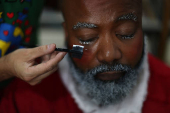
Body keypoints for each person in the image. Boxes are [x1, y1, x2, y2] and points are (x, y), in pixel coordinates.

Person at [0, 0, 170, 113]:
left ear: (140, 27)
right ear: (67, 33)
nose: (109, 55)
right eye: (88, 37)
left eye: (126, 33)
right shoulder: (25, 100)